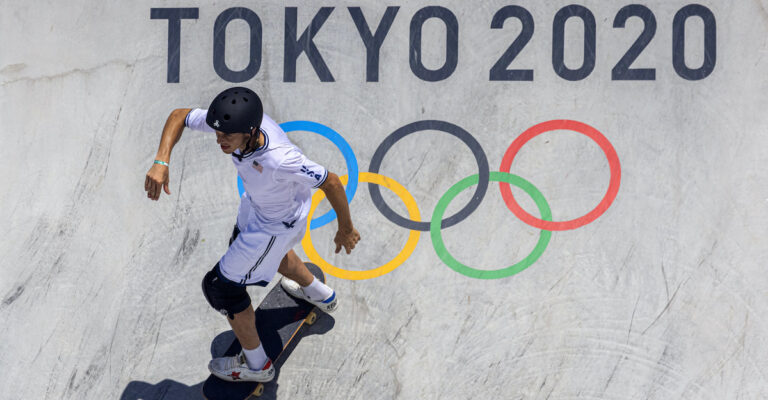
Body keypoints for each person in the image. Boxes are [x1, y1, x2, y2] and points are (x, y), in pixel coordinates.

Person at [144, 86, 360, 382]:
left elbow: (332, 182)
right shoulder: (234, 123)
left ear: (250, 131)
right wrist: (161, 161)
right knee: (261, 255)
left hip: (275, 225)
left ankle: (257, 367)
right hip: (258, 207)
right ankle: (319, 294)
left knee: (222, 288)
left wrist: (345, 229)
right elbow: (179, 116)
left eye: (227, 137)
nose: (219, 140)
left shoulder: (281, 159)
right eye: (218, 133)